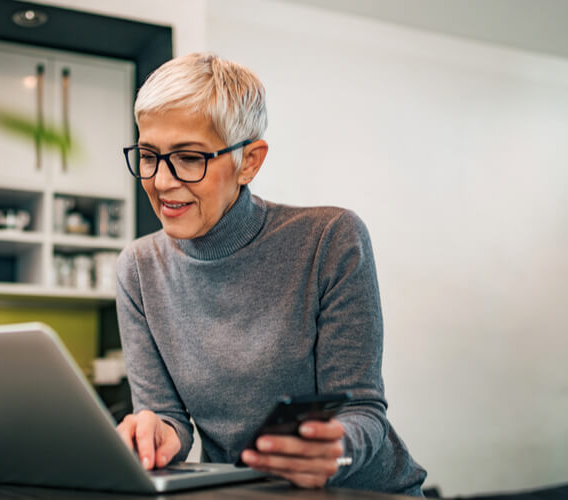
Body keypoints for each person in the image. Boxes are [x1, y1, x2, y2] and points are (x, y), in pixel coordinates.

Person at [114, 53, 427, 496]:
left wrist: (332, 451)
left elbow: (362, 410)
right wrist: (158, 435)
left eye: (188, 158)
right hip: (243, 492)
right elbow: (168, 419)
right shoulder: (139, 269)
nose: (162, 182)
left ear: (249, 162)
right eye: (148, 155)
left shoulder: (329, 239)